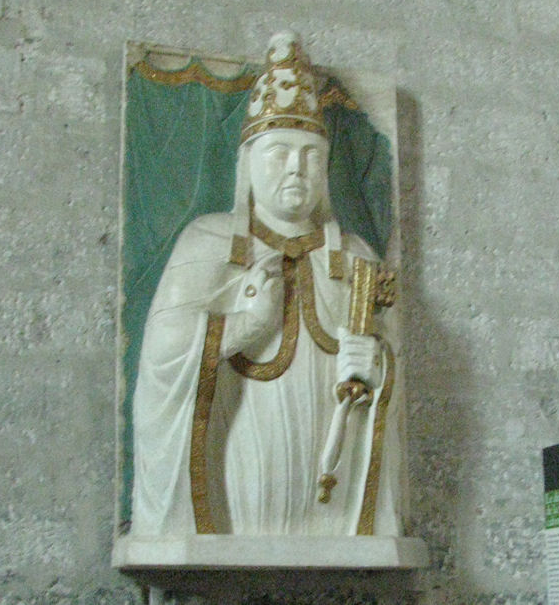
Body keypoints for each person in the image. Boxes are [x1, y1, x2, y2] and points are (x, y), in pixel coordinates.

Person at [130, 32, 401, 537]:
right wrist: (243, 326)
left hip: (332, 480)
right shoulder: (207, 242)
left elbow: (388, 361)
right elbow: (161, 356)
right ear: (249, 162)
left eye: (312, 155)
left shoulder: (357, 257)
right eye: (280, 152)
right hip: (239, 466)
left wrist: (376, 367)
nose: (297, 168)